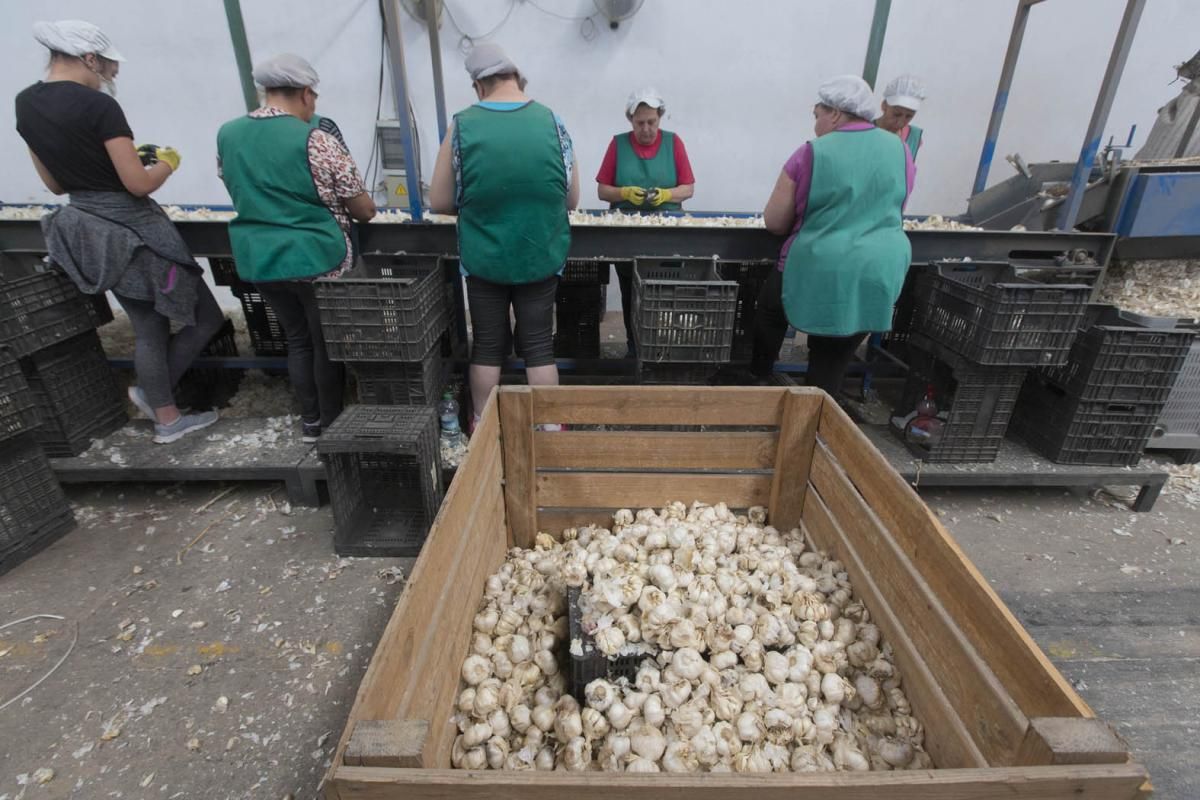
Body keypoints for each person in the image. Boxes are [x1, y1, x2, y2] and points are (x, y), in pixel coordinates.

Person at [17, 20, 224, 444]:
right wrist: (166, 161)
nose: (109, 76)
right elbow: (139, 184)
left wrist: (121, 159)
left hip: (87, 229)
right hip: (134, 232)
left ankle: (165, 416)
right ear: (88, 58)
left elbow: (56, 184)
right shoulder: (99, 107)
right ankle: (155, 398)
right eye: (107, 67)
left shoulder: (26, 103)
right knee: (205, 316)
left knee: (147, 326)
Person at [217, 54, 376, 442]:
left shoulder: (228, 134)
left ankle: (310, 423)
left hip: (262, 258)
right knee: (325, 344)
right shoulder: (317, 139)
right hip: (316, 255)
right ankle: (332, 423)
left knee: (297, 339)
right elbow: (363, 209)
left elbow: (233, 184)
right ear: (306, 94)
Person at [430, 43, 579, 430]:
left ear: (479, 86)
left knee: (488, 345)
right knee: (538, 345)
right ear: (517, 78)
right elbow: (571, 198)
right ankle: (549, 428)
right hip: (540, 255)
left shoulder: (462, 125)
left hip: (485, 259)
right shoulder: (553, 122)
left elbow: (440, 199)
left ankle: (482, 426)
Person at [751, 75, 914, 398]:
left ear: (835, 114)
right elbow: (897, 206)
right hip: (880, 268)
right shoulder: (900, 150)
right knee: (832, 357)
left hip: (821, 263)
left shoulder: (812, 152)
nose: (815, 126)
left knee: (770, 308)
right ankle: (819, 416)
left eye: (817, 116)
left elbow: (775, 221)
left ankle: (758, 380)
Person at [596, 87, 696, 358]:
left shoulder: (673, 143)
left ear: (660, 118)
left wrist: (666, 194)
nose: (647, 129)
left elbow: (688, 187)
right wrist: (624, 193)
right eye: (640, 123)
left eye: (652, 122)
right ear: (630, 121)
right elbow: (603, 190)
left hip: (667, 231)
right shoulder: (618, 144)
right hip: (626, 231)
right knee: (632, 291)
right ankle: (634, 347)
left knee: (666, 290)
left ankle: (665, 347)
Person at [877, 74, 926, 160]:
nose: (900, 122)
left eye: (909, 116)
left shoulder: (913, 138)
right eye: (896, 114)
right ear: (884, 105)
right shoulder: (864, 130)